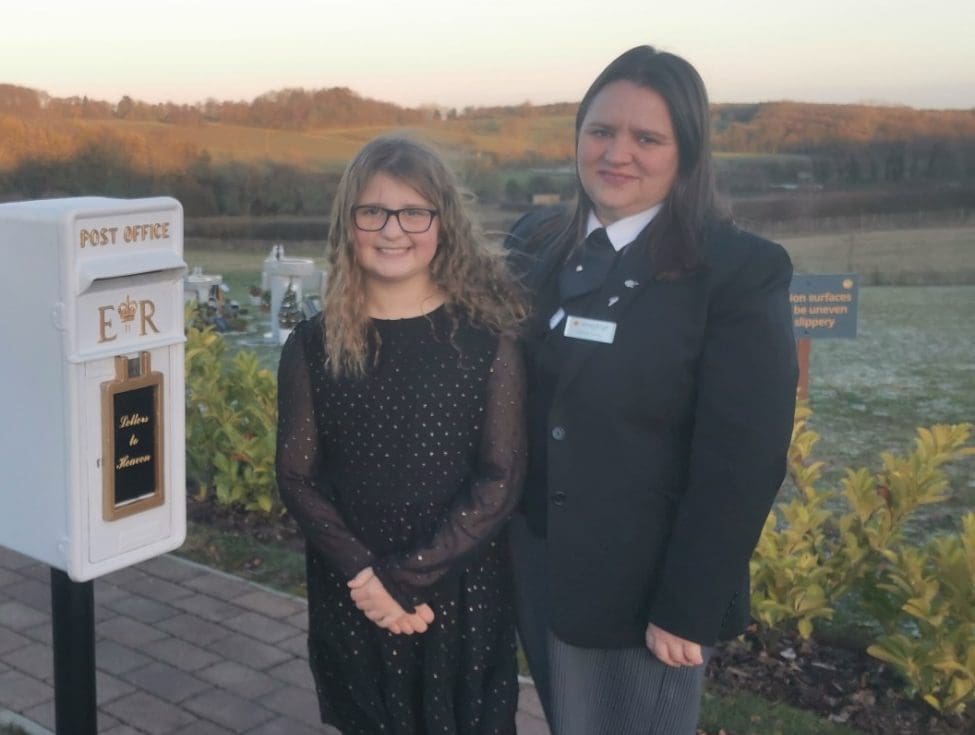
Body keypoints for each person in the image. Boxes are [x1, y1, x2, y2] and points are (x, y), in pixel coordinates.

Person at [506, 45, 799, 735]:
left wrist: (687, 603)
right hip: (533, 559)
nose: (617, 153)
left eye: (647, 138)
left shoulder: (735, 271)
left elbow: (744, 456)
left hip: (638, 590)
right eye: (601, 130)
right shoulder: (535, 239)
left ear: (686, 154)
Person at [276, 135, 527, 734]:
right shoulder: (312, 345)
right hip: (351, 588)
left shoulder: (486, 344)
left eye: (414, 212)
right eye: (373, 212)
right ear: (349, 223)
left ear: (444, 224)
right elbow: (297, 475)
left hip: (460, 587)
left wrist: (403, 578)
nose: (393, 230)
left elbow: (500, 480)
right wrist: (365, 576)